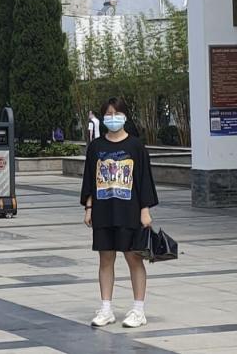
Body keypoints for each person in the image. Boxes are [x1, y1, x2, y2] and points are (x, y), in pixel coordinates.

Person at [80, 97, 158, 328]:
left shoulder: (136, 146)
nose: (113, 118)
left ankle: (138, 310)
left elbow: (143, 180)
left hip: (129, 211)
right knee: (105, 259)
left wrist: (145, 210)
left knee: (133, 258)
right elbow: (89, 180)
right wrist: (88, 208)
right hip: (103, 210)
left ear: (125, 116)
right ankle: (106, 309)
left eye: (117, 113)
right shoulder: (96, 147)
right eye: (108, 114)